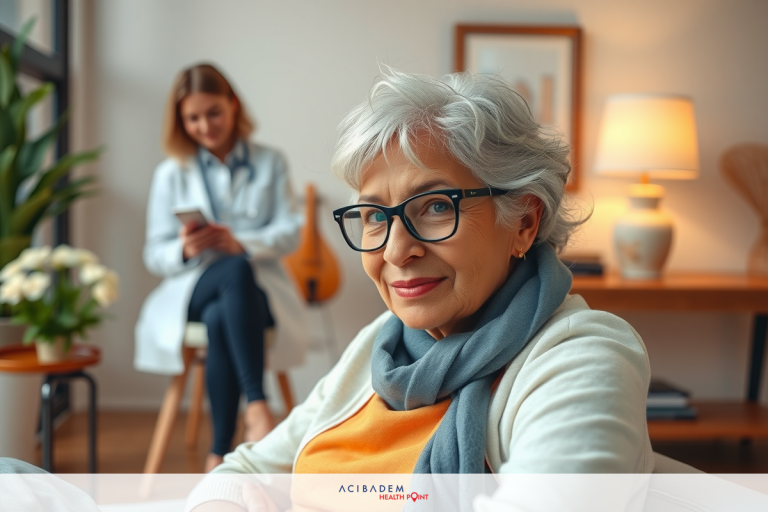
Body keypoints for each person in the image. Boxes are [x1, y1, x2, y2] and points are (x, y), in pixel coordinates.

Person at [187, 69, 652, 510]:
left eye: (434, 206)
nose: (395, 251)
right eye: (374, 216)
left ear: (524, 223)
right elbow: (242, 469)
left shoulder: (582, 356)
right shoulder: (383, 344)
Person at [134, 63, 306, 473]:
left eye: (213, 112)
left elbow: (292, 233)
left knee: (223, 309)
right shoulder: (169, 173)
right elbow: (153, 253)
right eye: (192, 118)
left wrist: (241, 243)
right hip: (194, 288)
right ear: (180, 120)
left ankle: (218, 454)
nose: (204, 126)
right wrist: (184, 249)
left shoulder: (271, 162)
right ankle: (259, 406)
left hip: (255, 294)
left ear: (232, 105)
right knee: (232, 273)